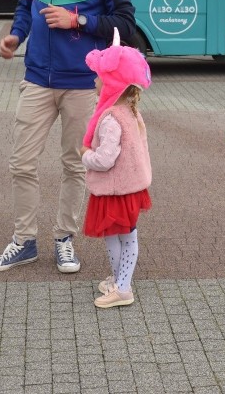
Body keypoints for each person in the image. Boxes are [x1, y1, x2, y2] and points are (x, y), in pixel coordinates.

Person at [0, 0, 135, 274]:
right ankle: (24, 241)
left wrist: (79, 21)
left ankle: (64, 239)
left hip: (83, 84)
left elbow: (127, 24)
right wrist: (16, 35)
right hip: (36, 76)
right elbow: (25, 4)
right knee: (21, 162)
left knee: (75, 164)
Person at [80, 30, 152, 308]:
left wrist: (86, 156)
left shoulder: (111, 119)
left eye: (100, 76)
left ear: (112, 83)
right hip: (129, 187)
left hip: (115, 189)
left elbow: (105, 159)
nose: (96, 80)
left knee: (117, 237)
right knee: (125, 236)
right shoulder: (130, 111)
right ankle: (120, 280)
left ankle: (123, 287)